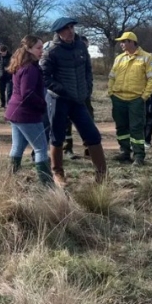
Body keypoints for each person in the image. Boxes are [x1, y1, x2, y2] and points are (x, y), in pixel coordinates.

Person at [40, 17, 107, 185]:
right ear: (58, 32)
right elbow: (44, 77)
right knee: (57, 136)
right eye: (66, 28)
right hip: (58, 99)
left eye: (72, 27)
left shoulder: (81, 47)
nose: (70, 31)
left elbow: (88, 70)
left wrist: (87, 88)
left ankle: (102, 175)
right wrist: (61, 90)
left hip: (79, 99)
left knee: (92, 134)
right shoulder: (51, 51)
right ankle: (58, 173)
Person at [5, 35, 53, 186]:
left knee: (17, 147)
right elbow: (28, 94)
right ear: (29, 49)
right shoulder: (30, 68)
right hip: (26, 114)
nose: (41, 51)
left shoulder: (21, 64)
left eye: (42, 47)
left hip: (15, 112)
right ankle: (47, 186)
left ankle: (10, 180)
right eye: (38, 48)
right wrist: (43, 105)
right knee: (41, 148)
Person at [107, 32, 152, 166]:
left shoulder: (146, 58)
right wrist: (111, 92)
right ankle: (124, 152)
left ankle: (139, 156)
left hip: (136, 99)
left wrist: (144, 96)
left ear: (131, 42)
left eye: (123, 41)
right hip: (118, 98)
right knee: (121, 127)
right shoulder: (119, 58)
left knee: (136, 128)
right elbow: (112, 76)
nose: (121, 44)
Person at [64, 35, 94, 160]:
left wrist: (88, 89)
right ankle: (67, 148)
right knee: (66, 122)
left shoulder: (86, 56)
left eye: (86, 46)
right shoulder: (66, 54)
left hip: (83, 95)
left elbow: (89, 74)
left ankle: (89, 148)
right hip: (68, 94)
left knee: (88, 120)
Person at [0, 44, 12, 109]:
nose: (2, 53)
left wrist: (9, 68)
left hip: (9, 76)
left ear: (6, 51)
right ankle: (2, 104)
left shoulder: (11, 57)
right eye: (1, 52)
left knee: (9, 91)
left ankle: (9, 104)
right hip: (1, 76)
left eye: (4, 52)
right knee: (1, 91)